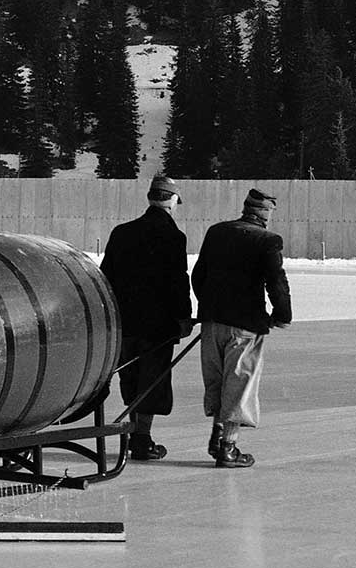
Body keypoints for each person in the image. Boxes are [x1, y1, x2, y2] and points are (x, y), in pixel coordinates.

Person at [190, 187, 293, 468]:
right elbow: (276, 281)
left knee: (217, 381)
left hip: (212, 324)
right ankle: (228, 448)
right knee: (238, 385)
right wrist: (282, 314)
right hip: (245, 326)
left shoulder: (217, 231)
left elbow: (199, 275)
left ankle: (217, 433)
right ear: (266, 213)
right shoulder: (268, 240)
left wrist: (210, 307)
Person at [99, 173, 194, 461]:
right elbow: (178, 280)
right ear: (173, 200)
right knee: (152, 379)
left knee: (130, 374)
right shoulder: (173, 236)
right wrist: (183, 317)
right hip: (157, 324)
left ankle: (133, 434)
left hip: (125, 320)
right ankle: (142, 437)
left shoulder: (122, 232)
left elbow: (106, 276)